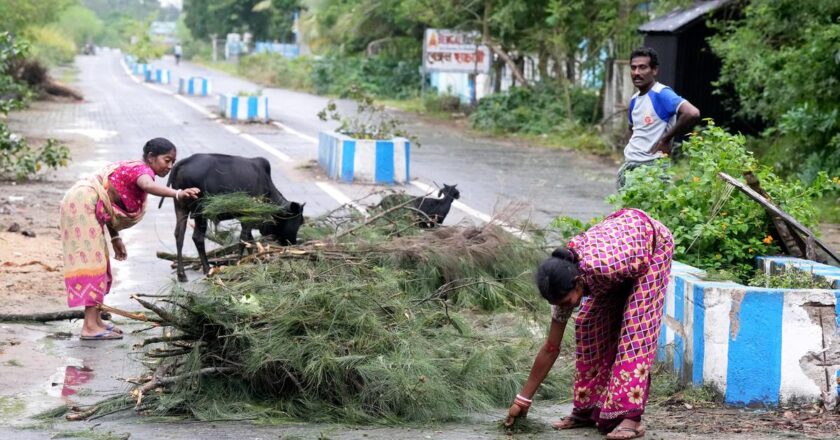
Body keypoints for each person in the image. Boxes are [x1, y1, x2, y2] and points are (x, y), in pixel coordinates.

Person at [505, 208, 674, 440]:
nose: (566, 307)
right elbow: (551, 347)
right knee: (587, 326)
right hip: (621, 256)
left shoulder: (606, 267)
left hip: (650, 246)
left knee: (635, 331)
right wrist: (523, 399)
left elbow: (635, 276)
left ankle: (631, 419)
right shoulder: (563, 282)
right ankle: (586, 410)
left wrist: (627, 309)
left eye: (567, 302)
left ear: (578, 283)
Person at [60, 138, 200, 340]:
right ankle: (89, 327)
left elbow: (106, 204)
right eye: (166, 160)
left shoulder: (135, 169)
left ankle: (96, 321)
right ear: (151, 158)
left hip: (89, 205)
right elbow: (147, 185)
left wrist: (115, 237)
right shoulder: (142, 172)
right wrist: (177, 193)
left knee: (101, 263)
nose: (170, 166)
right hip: (82, 204)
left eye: (173, 162)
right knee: (93, 264)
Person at [618, 47, 701, 189]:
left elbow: (692, 113)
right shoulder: (634, 99)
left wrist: (665, 140)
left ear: (654, 70)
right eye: (633, 68)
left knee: (651, 210)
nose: (636, 73)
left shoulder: (661, 93)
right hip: (630, 165)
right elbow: (632, 129)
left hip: (652, 167)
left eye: (642, 68)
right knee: (629, 210)